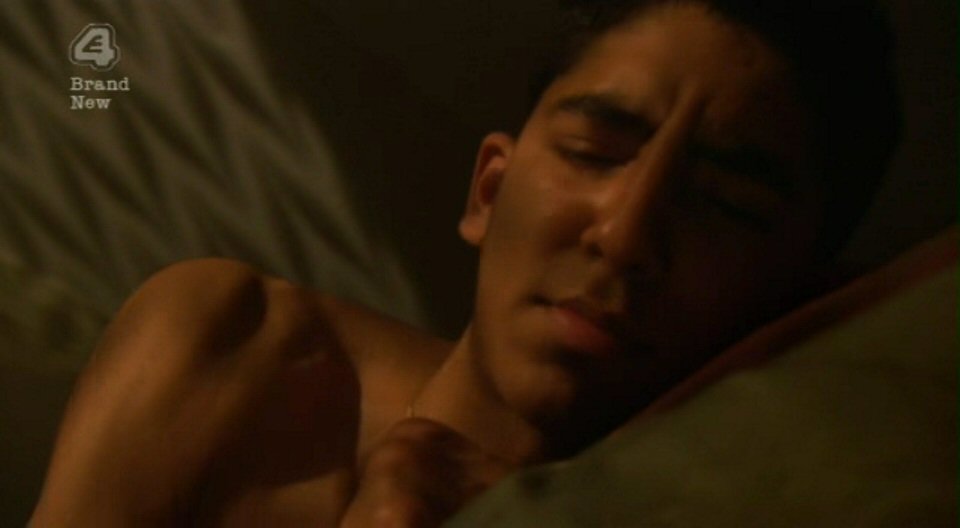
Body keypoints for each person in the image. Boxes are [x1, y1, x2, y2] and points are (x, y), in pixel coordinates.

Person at [30, 0, 900, 526]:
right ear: (489, 191)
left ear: (794, 301)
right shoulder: (239, 347)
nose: (626, 234)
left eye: (727, 205)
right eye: (595, 150)